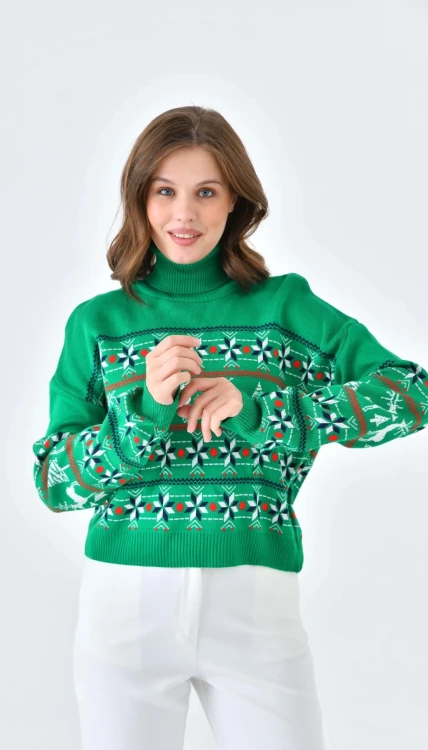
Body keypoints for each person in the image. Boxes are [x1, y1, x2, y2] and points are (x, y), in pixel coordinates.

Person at [31, 106, 428, 750]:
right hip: (126, 609)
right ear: (140, 198)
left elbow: (411, 394)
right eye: (165, 191)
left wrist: (266, 413)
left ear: (236, 201)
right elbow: (54, 482)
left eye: (206, 192)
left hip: (256, 609)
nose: (184, 214)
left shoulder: (285, 308)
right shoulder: (97, 323)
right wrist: (145, 412)